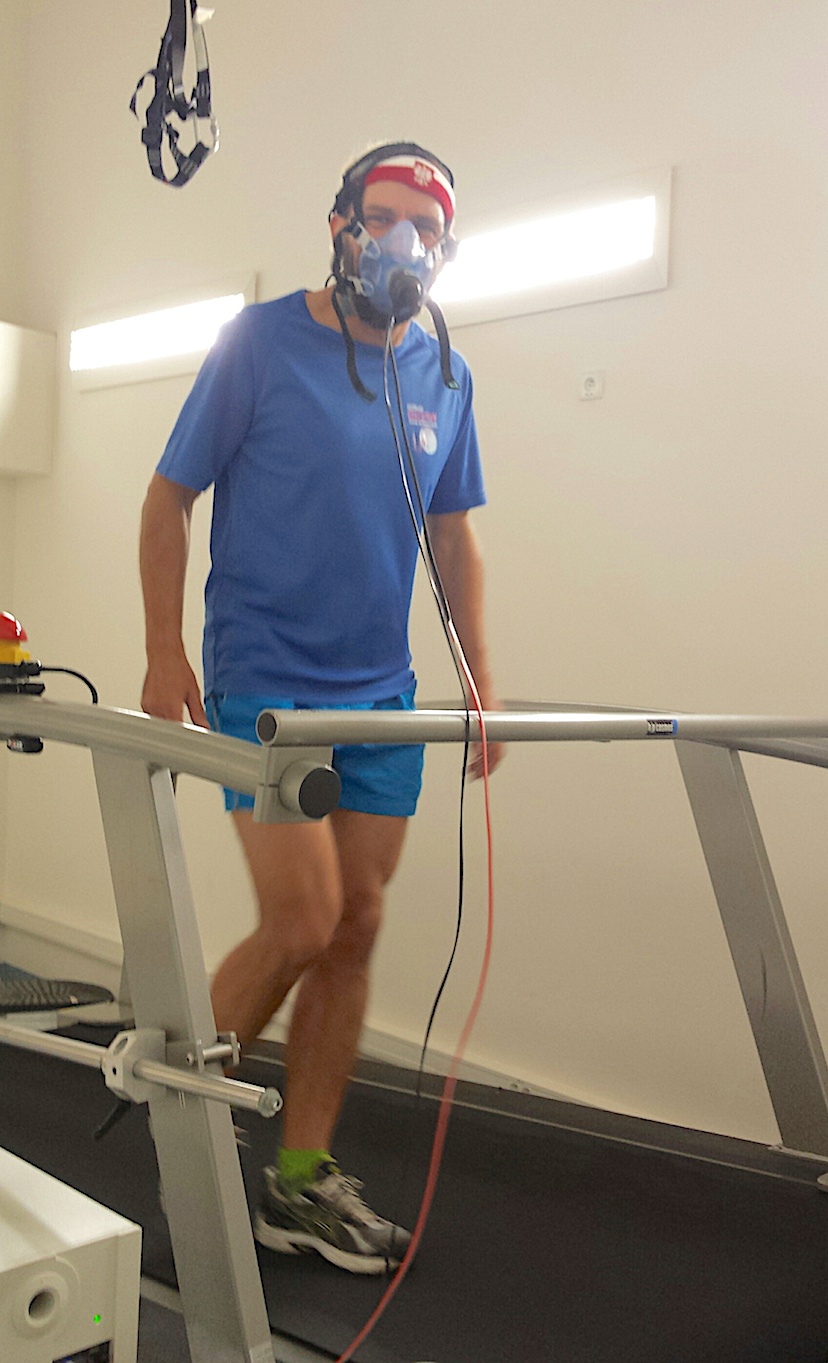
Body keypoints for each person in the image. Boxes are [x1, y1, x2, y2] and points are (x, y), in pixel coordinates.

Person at [139, 141, 503, 1274]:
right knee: (300, 920)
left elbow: (454, 535)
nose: (403, 241)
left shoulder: (445, 374)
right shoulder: (258, 342)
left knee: (355, 927)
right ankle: (166, 1106)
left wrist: (478, 674)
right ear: (341, 222)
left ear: (444, 249)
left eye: (425, 228)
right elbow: (169, 496)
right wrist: (162, 649)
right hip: (267, 678)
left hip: (382, 691)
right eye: (382, 216)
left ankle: (297, 1179)